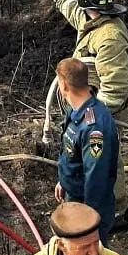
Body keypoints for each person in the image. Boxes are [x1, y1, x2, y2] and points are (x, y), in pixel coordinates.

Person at [44, 0, 128, 217]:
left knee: (105, 158)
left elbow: (116, 85)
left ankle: (115, 210)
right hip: (91, 103)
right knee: (90, 156)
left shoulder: (109, 37)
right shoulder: (92, 18)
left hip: (106, 108)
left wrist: (93, 116)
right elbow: (74, 10)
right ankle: (90, 197)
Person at [53, 58, 119, 244]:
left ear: (64, 84)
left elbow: (96, 176)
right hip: (74, 197)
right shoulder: (75, 112)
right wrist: (64, 181)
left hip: (89, 207)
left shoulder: (95, 127)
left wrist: (87, 222)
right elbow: (72, 153)